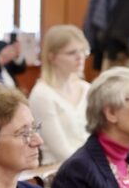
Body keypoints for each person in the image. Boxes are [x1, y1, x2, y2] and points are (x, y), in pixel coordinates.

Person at [28, 25, 91, 166]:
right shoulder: (42, 95)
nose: (80, 57)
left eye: (83, 51)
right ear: (52, 57)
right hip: (59, 170)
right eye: (71, 53)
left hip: (90, 165)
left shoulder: (87, 88)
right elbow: (61, 151)